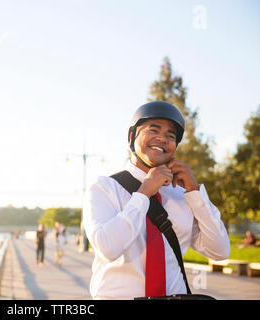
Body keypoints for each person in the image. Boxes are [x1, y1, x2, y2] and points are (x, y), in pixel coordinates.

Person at [83, 101, 230, 300]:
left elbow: (220, 251)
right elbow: (108, 247)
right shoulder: (104, 188)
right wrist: (144, 193)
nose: (162, 139)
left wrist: (195, 192)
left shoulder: (182, 196)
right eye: (154, 130)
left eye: (171, 136)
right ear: (132, 136)